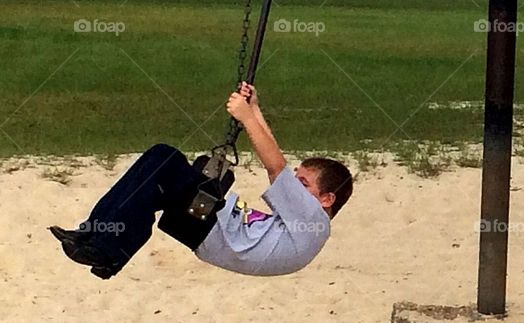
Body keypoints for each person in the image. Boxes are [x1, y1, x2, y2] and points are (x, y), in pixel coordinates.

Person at [50, 82, 353, 279]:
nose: (295, 185)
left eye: (304, 184)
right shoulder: (304, 224)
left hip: (209, 225)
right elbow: (280, 168)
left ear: (327, 199)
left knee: (164, 158)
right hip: (207, 224)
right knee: (157, 165)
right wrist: (256, 110)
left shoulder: (315, 222)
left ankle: (109, 250)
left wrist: (247, 118)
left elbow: (276, 168)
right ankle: (94, 237)